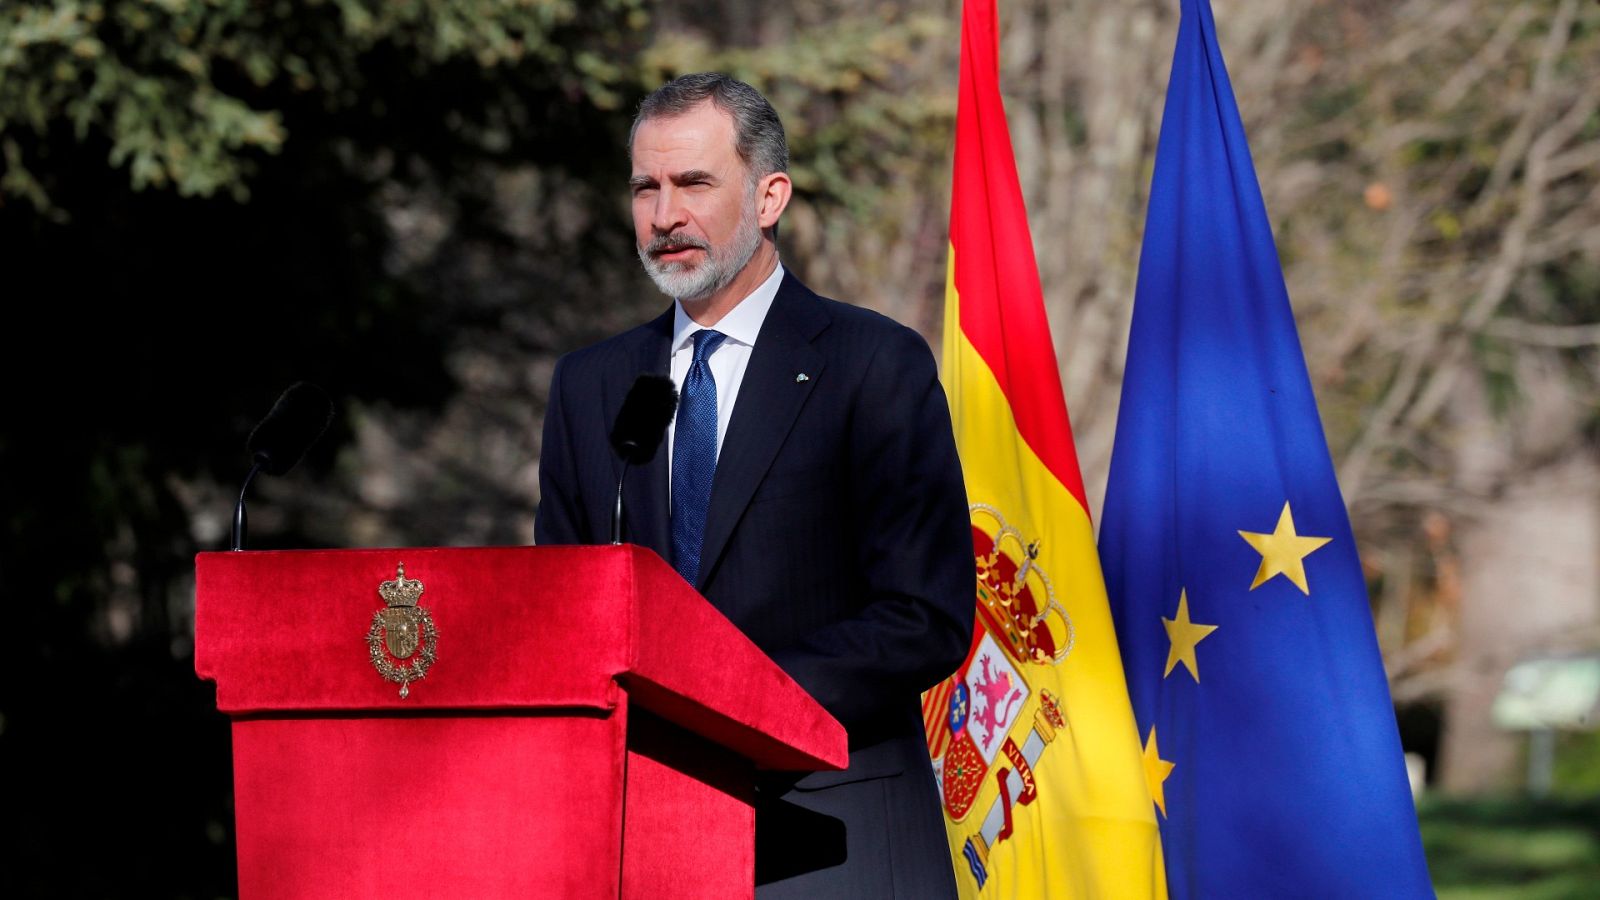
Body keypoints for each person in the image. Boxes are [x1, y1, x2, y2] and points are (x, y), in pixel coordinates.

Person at [535, 73, 973, 898]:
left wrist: (735, 697)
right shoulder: (590, 388)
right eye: (645, 188)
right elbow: (565, 611)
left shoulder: (871, 365)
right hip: (640, 842)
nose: (665, 217)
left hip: (831, 836)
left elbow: (926, 614)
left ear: (770, 196)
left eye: (695, 183)